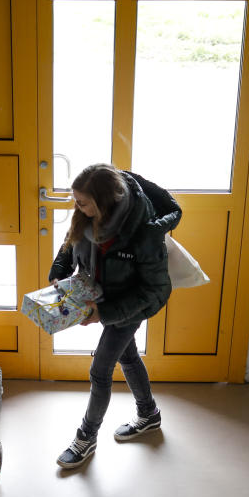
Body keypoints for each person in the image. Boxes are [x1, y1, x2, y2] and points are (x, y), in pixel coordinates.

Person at [49, 163, 181, 469]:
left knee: (100, 370)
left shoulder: (144, 234)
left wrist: (103, 313)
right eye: (76, 201)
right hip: (101, 299)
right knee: (129, 357)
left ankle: (86, 437)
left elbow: (155, 292)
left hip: (128, 306)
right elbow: (70, 244)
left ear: (105, 203)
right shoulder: (85, 215)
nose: (76, 207)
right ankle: (149, 415)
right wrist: (59, 272)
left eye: (82, 202)